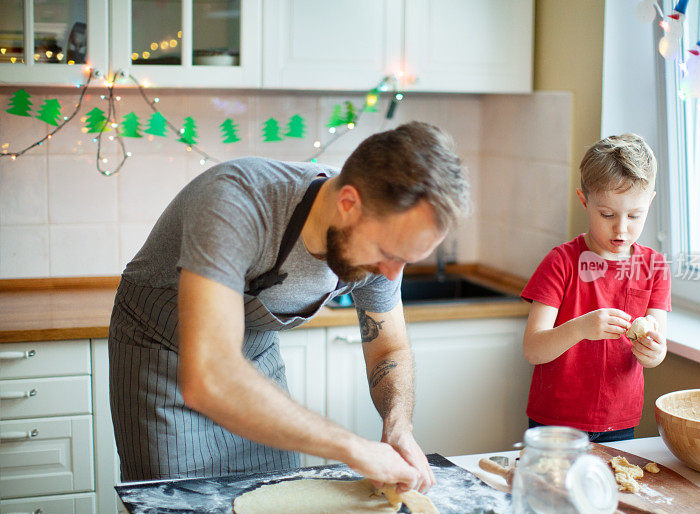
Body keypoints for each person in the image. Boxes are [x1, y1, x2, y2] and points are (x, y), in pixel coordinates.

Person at [108, 121, 470, 492]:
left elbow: (389, 348)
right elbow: (208, 378)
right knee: (180, 510)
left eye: (406, 259)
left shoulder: (381, 239)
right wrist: (352, 446)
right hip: (162, 360)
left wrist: (398, 426)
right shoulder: (236, 201)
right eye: (389, 254)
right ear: (348, 204)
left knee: (274, 498)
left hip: (254, 358)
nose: (392, 273)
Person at [520, 133, 670, 443]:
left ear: (650, 202)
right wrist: (580, 328)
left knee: (613, 490)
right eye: (607, 214)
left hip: (619, 421)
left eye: (635, 215)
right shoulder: (561, 262)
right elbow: (533, 349)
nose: (621, 227)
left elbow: (657, 350)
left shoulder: (654, 267)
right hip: (555, 422)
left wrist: (653, 353)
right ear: (584, 199)